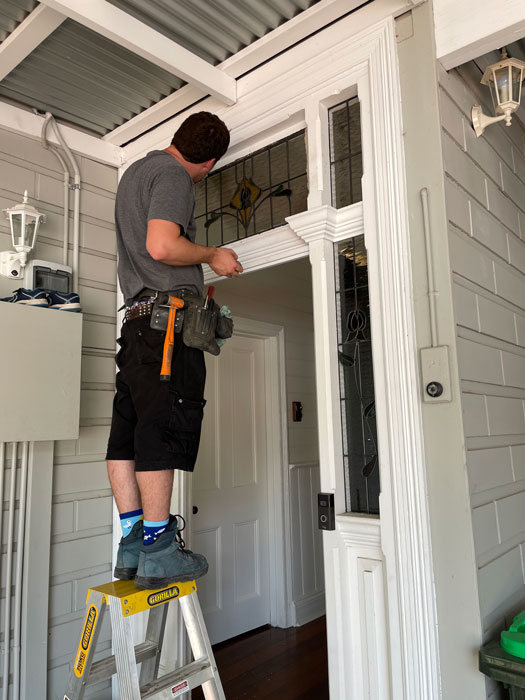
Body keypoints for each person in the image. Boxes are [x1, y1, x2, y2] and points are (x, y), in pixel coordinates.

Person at [105, 112, 243, 590]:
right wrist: (212, 255)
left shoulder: (135, 174)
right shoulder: (173, 176)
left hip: (139, 325)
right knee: (162, 429)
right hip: (166, 326)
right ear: (207, 162)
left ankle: (133, 539)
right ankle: (160, 548)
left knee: (128, 430)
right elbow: (162, 246)